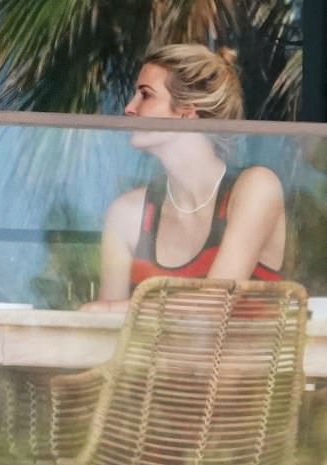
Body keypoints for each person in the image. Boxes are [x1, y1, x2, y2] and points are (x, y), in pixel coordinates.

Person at [83, 44, 286, 312]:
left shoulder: (256, 188)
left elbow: (213, 305)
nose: (129, 108)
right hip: (149, 343)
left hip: (241, 343)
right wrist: (106, 312)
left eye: (145, 95)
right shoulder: (127, 212)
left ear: (187, 112)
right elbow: (102, 328)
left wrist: (111, 310)